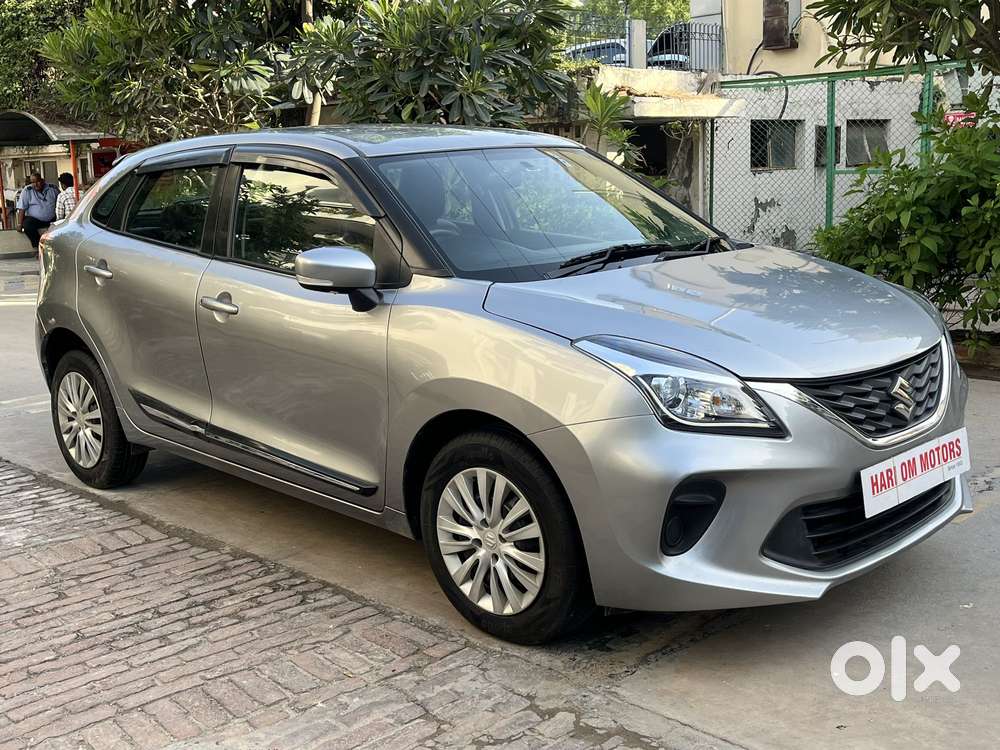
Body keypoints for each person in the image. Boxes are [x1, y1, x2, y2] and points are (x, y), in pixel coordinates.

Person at [16, 172, 58, 248]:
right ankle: (38, 246)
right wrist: (19, 224)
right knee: (27, 225)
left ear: (42, 180)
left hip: (52, 219)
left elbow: (60, 202)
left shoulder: (52, 188)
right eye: (33, 182)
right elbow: (22, 208)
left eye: (37, 181)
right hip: (35, 220)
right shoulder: (27, 190)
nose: (35, 184)